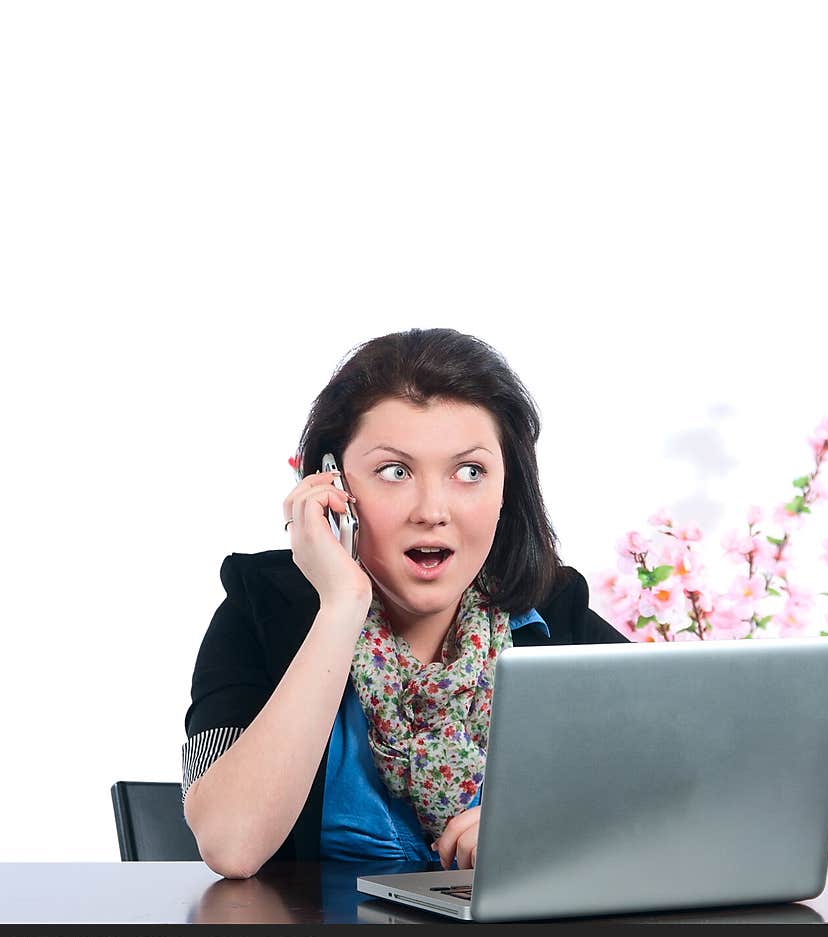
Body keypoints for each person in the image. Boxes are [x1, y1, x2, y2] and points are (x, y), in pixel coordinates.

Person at [182, 327, 628, 879]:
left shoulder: (556, 614)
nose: (432, 510)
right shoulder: (259, 607)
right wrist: (341, 604)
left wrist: (544, 822)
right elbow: (230, 843)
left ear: (506, 488)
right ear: (331, 483)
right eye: (395, 472)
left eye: (470, 472)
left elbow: (689, 787)